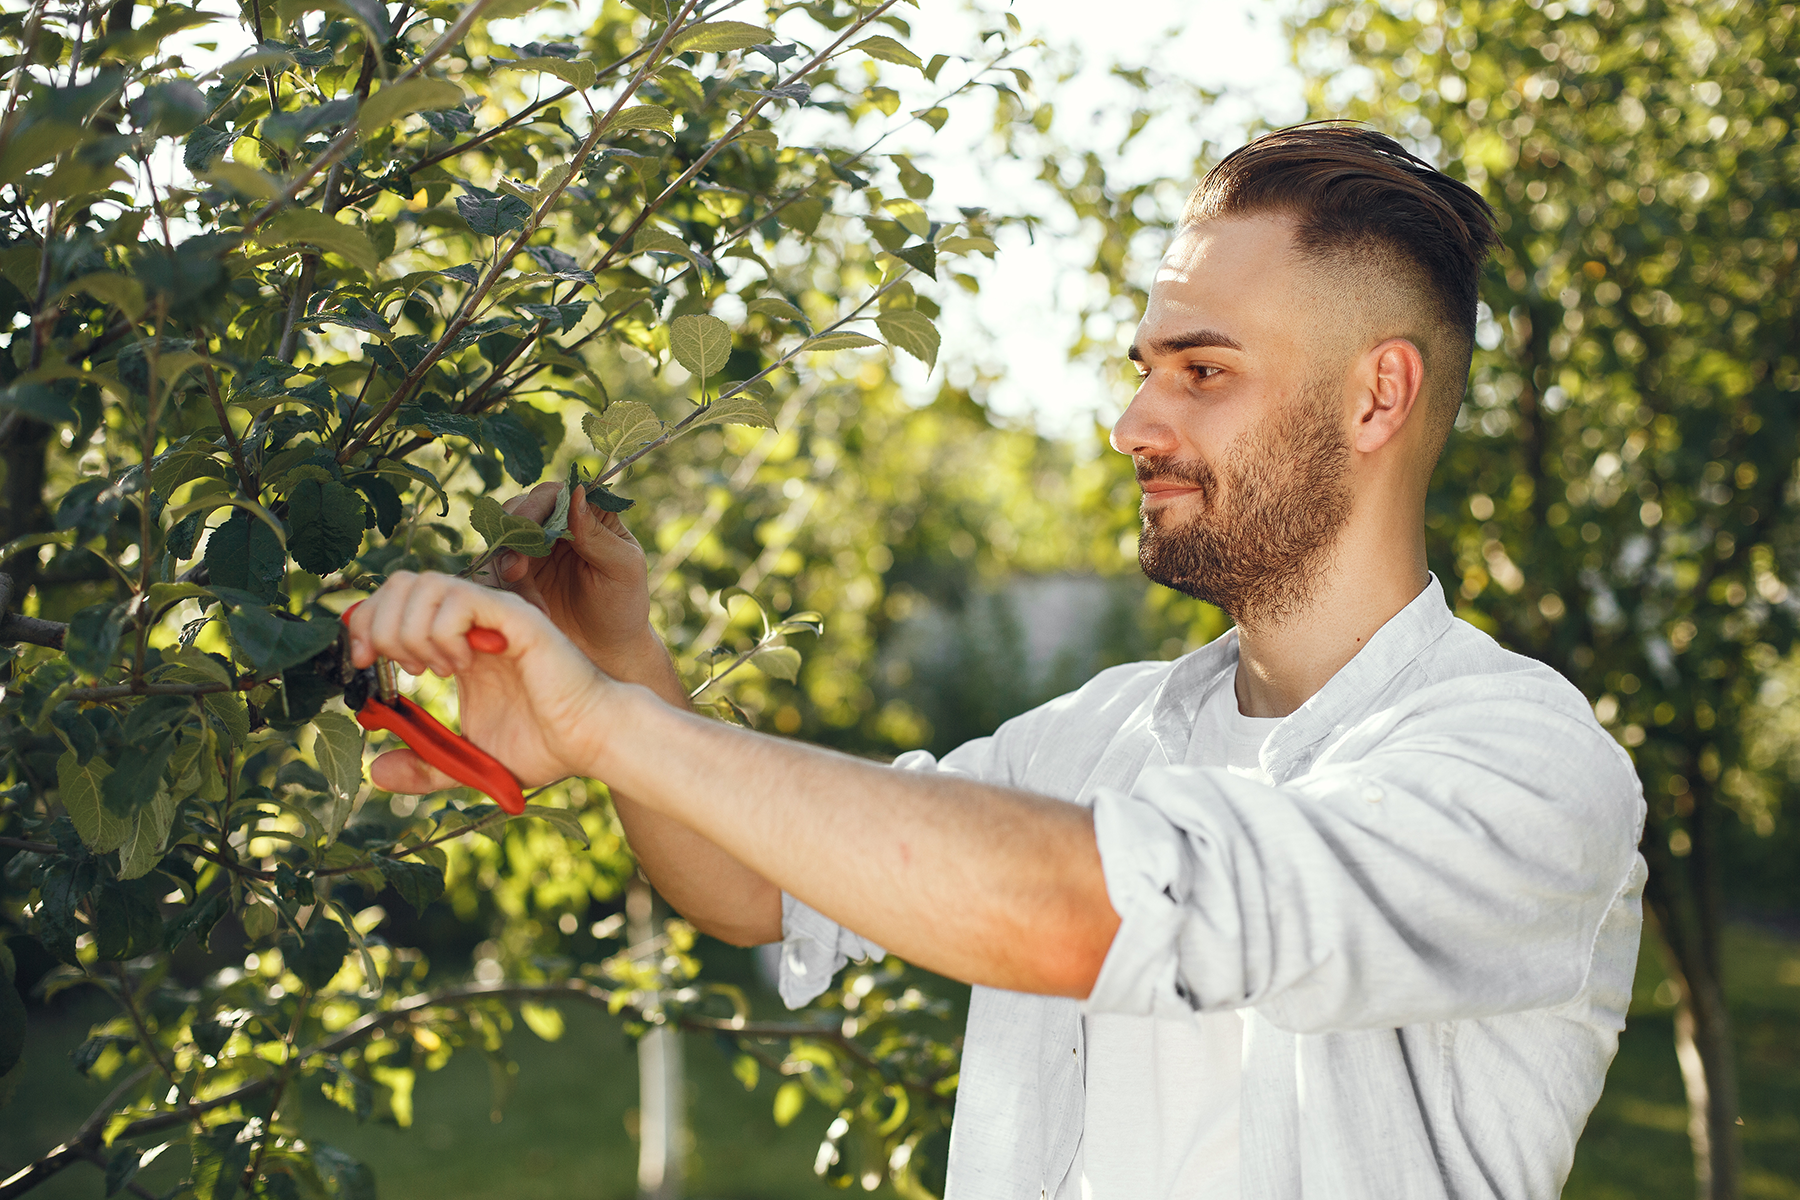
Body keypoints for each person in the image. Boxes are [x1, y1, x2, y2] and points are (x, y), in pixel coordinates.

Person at [346, 123, 1646, 1200]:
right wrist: (618, 664)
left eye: (1203, 370)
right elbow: (766, 889)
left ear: (1377, 397)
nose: (1134, 420)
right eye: (1146, 369)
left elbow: (1096, 913)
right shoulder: (1104, 732)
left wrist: (610, 731)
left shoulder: (1521, 767)